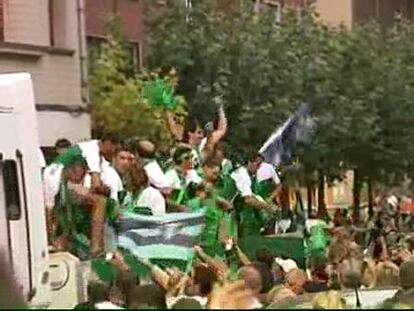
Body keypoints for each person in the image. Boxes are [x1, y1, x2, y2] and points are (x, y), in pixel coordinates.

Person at [43, 134, 122, 257]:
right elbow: (96, 185)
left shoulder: (91, 150)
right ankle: (95, 247)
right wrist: (107, 190)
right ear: (107, 143)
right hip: (59, 179)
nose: (113, 152)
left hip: (62, 179)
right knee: (100, 201)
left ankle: (56, 242)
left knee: (57, 211)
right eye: (113, 149)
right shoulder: (93, 151)